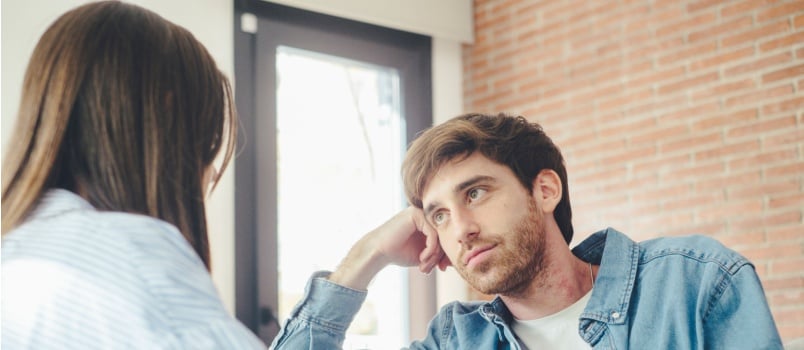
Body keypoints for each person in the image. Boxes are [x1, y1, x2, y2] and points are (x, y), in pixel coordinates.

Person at [271, 113, 783, 349]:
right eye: (439, 215)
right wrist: (366, 256)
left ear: (544, 191)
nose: (461, 230)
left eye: (475, 193)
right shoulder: (455, 339)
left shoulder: (693, 284)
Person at [1, 2, 267, 348]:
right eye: (206, 142)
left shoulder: (20, 244)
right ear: (167, 115)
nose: (211, 169)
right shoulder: (127, 251)